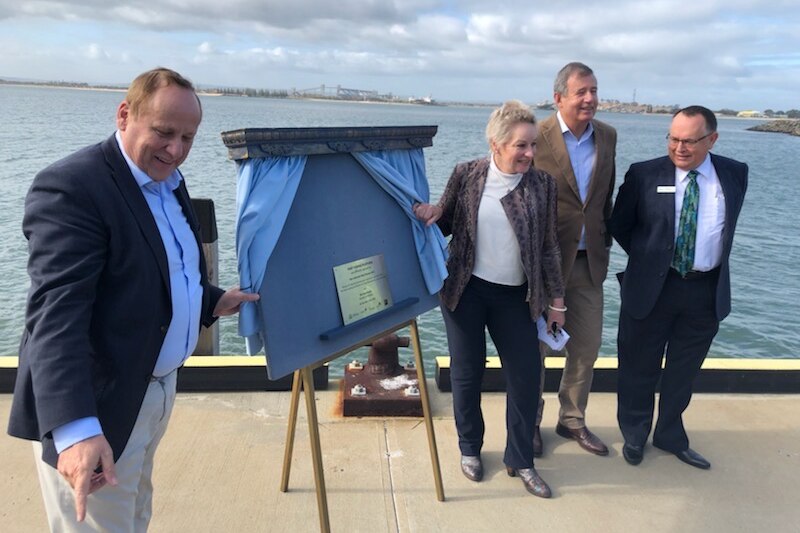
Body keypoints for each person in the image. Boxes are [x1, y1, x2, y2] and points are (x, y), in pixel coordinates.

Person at [7, 67, 259, 530]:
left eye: (188, 137)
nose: (176, 150)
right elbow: (55, 316)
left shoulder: (167, 180)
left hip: (153, 391)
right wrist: (77, 430)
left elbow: (166, 269)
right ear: (125, 115)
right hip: (98, 408)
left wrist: (211, 301)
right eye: (164, 132)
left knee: (136, 514)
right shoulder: (73, 187)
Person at [414, 100, 565, 498]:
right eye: (521, 146)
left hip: (517, 297)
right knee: (468, 371)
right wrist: (432, 211)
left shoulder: (543, 185)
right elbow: (444, 223)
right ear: (496, 144)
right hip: (466, 290)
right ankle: (470, 449)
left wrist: (557, 302)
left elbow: (549, 246)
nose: (530, 154)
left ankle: (521, 459)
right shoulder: (467, 174)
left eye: (533, 145)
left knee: (526, 375)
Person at [610, 105, 748, 469]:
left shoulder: (735, 174)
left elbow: (726, 230)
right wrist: (651, 259)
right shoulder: (643, 174)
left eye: (689, 140)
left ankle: (671, 435)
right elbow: (620, 225)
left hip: (706, 290)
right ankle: (635, 433)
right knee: (639, 367)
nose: (680, 147)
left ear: (712, 139)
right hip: (653, 287)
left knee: (683, 372)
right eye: (673, 138)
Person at [532, 62, 617, 457]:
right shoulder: (537, 135)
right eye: (581, 91)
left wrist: (604, 239)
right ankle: (529, 421)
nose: (590, 99)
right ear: (559, 98)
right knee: (536, 350)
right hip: (540, 265)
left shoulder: (608, 136)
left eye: (594, 91)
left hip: (588, 262)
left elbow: (604, 197)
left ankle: (572, 420)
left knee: (586, 346)